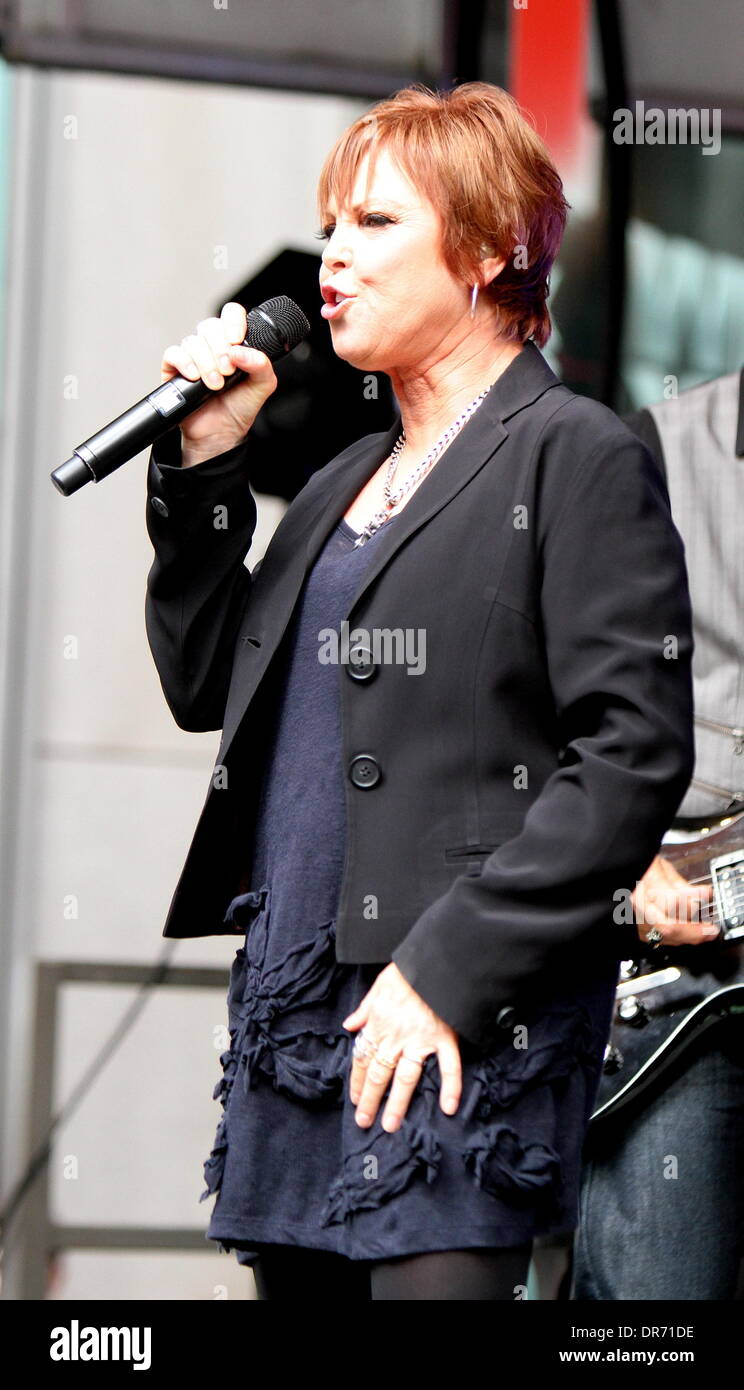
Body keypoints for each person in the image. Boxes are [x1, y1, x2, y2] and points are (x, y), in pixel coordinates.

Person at [144, 82, 695, 1301]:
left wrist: (449, 970)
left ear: (497, 247)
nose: (334, 255)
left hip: (457, 1020)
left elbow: (631, 756)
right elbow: (206, 686)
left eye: (376, 223)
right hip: (306, 1021)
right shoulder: (345, 477)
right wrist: (206, 468)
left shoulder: (575, 454)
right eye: (330, 224)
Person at [572, 368, 744, 1301]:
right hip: (686, 983)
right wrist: (618, 853)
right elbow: (540, 684)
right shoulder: (657, 443)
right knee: (657, 1310)